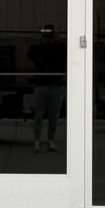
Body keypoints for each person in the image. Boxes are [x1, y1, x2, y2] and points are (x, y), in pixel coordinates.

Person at [28, 23, 66, 153]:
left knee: (45, 115)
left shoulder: (54, 48)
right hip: (50, 84)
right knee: (48, 115)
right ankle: (45, 140)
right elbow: (31, 54)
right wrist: (56, 39)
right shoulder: (53, 48)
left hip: (46, 85)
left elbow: (31, 54)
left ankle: (42, 141)